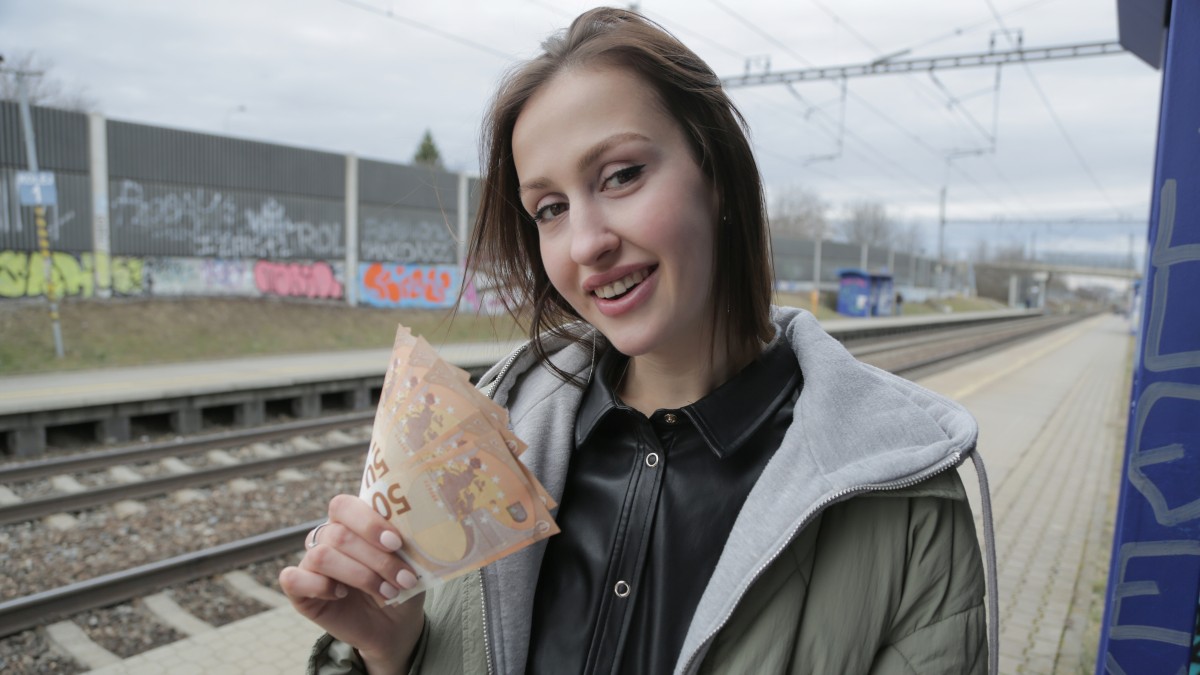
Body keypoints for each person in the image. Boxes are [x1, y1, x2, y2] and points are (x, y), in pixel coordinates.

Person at [280, 7, 997, 674]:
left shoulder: (905, 503)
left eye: (621, 175)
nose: (586, 242)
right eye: (550, 208)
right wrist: (393, 649)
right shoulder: (483, 447)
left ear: (715, 175)